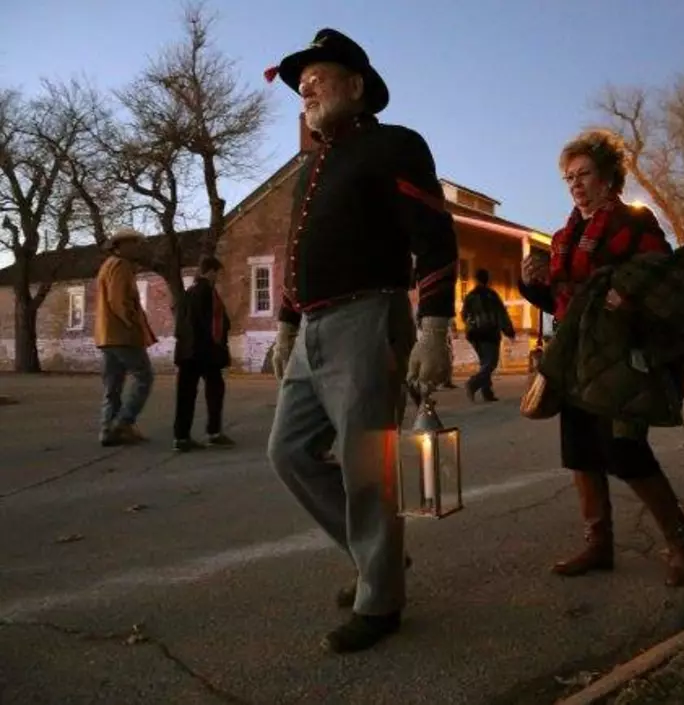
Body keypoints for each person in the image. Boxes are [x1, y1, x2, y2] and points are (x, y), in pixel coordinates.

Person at [263, 28, 457, 653]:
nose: (305, 87)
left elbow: (433, 235)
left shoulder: (394, 146)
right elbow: (298, 257)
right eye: (300, 83)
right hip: (312, 329)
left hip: (367, 321)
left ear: (356, 86)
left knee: (367, 469)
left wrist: (433, 327)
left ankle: (381, 601)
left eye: (317, 76)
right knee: (288, 452)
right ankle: (378, 560)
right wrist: (286, 326)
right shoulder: (310, 170)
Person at [518, 129, 684, 587]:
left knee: (625, 450)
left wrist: (630, 298)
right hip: (575, 355)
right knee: (581, 452)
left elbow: (664, 286)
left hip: (623, 355)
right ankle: (598, 543)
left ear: (607, 177)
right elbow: (566, 303)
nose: (576, 184)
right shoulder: (564, 235)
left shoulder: (634, 224)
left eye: (584, 175)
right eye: (569, 177)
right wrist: (533, 284)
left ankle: (680, 537)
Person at [94, 228, 157, 447]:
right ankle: (123, 423)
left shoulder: (107, 266)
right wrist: (132, 324)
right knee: (144, 377)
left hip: (106, 335)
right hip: (122, 335)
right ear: (120, 245)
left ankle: (107, 430)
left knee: (113, 384)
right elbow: (119, 301)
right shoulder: (121, 266)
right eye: (134, 243)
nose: (137, 247)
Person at [172, 256, 234, 452]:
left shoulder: (187, 292)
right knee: (215, 390)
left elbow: (179, 322)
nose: (218, 278)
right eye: (218, 273)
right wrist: (220, 347)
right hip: (205, 351)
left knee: (185, 395)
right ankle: (213, 432)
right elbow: (218, 323)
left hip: (186, 351)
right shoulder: (208, 292)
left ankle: (181, 437)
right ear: (212, 271)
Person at [461, 268, 515, 402]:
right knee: (491, 363)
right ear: (487, 279)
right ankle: (473, 384)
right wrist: (508, 330)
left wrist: (471, 325)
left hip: (474, 334)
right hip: (489, 333)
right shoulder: (491, 295)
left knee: (485, 362)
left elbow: (464, 315)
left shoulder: (471, 296)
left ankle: (487, 392)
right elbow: (501, 314)